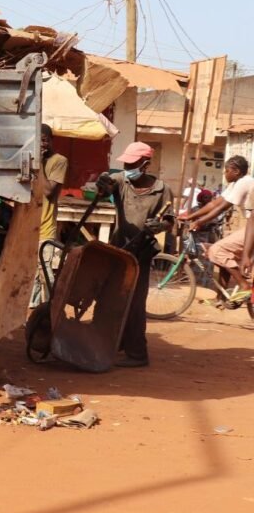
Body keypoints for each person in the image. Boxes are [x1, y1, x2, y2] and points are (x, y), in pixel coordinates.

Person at [96, 142, 175, 368]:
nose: (129, 166)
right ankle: (116, 343)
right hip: (118, 248)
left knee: (135, 304)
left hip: (141, 252)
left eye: (133, 163)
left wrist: (158, 226)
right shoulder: (121, 180)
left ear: (145, 164)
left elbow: (169, 221)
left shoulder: (162, 190)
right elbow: (104, 190)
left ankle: (137, 354)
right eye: (127, 162)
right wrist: (102, 184)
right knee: (110, 297)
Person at [188, 157, 254, 292]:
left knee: (217, 250)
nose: (224, 173)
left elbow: (221, 208)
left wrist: (198, 222)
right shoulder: (235, 183)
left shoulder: (244, 182)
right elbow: (214, 203)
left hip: (251, 226)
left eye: (226, 170)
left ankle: (244, 285)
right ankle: (222, 297)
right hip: (249, 226)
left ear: (236, 171)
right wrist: (190, 216)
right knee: (226, 256)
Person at [38, 124, 69, 244]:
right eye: (38, 141)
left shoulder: (59, 161)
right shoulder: (28, 161)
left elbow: (48, 192)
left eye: (44, 140)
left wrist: (39, 163)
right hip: (26, 229)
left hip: (45, 232)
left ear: (51, 140)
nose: (41, 144)